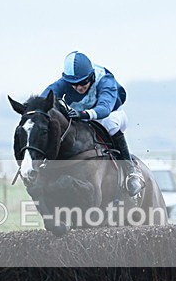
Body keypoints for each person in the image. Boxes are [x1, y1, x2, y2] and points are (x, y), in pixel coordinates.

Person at [41, 51, 144, 197]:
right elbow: (45, 95)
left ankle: (131, 170)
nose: (79, 88)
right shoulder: (67, 81)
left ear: (91, 76)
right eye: (74, 85)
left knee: (110, 123)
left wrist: (83, 114)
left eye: (83, 83)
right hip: (81, 117)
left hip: (110, 115)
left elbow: (104, 108)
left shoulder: (106, 80)